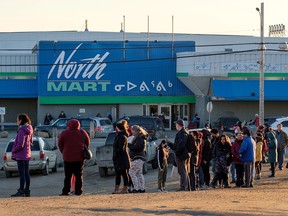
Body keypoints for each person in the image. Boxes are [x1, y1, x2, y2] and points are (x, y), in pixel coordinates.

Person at [58, 119, 90, 196]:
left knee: (68, 176)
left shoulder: (64, 133)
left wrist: (64, 152)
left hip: (67, 157)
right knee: (79, 175)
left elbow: (60, 144)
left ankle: (66, 191)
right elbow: (87, 142)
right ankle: (78, 191)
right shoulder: (82, 132)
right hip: (79, 157)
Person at [11, 114, 34, 197]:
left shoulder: (21, 130)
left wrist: (13, 150)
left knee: (22, 174)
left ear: (20, 120)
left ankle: (21, 190)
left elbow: (20, 144)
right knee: (26, 173)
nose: (16, 121)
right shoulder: (29, 128)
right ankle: (27, 190)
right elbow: (31, 142)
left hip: (21, 155)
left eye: (17, 120)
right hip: (27, 154)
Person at [166, 119, 190, 191]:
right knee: (183, 171)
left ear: (179, 125)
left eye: (176, 124)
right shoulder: (182, 133)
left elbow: (180, 146)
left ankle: (183, 186)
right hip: (181, 154)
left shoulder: (182, 134)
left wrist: (176, 152)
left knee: (182, 171)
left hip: (181, 155)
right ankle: (187, 186)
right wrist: (170, 143)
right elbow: (177, 145)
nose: (175, 125)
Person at [128, 125, 147, 193]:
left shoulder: (139, 138)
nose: (132, 132)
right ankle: (142, 188)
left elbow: (136, 147)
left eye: (133, 131)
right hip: (140, 157)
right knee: (139, 173)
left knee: (132, 172)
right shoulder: (141, 137)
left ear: (136, 131)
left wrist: (129, 145)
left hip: (137, 157)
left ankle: (136, 188)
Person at [112, 123, 130, 194]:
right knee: (117, 174)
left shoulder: (122, 136)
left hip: (122, 159)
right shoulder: (118, 136)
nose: (115, 129)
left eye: (116, 128)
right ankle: (116, 189)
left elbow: (121, 149)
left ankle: (125, 188)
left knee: (124, 174)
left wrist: (116, 155)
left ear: (118, 128)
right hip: (117, 159)